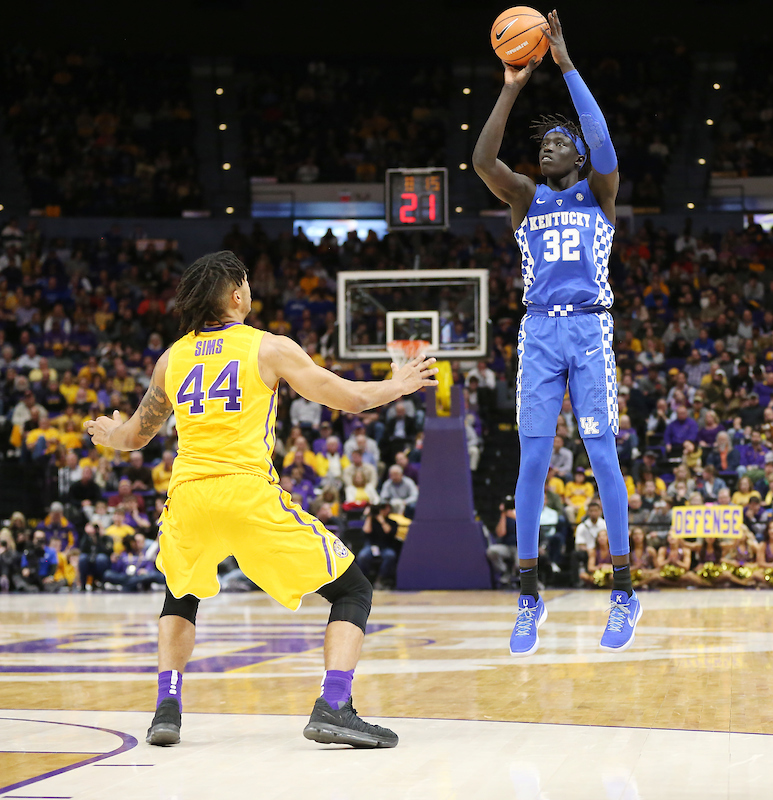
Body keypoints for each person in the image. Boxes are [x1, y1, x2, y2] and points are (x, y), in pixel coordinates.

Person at [85, 251, 437, 749]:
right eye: (247, 282)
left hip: (187, 497)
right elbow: (349, 398)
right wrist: (397, 384)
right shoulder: (267, 348)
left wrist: (105, 433)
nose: (251, 290)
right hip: (246, 492)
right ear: (235, 294)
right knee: (352, 590)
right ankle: (335, 704)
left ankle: (167, 707)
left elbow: (134, 436)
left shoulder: (172, 358)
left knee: (180, 595)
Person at [473, 11, 638, 655]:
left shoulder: (600, 192)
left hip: (591, 332)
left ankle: (623, 592)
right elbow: (483, 158)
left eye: (558, 142)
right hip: (540, 333)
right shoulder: (524, 199)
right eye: (543, 146)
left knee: (601, 456)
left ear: (578, 155)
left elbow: (603, 146)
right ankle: (527, 598)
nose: (548, 148)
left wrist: (565, 64)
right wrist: (513, 85)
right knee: (533, 463)